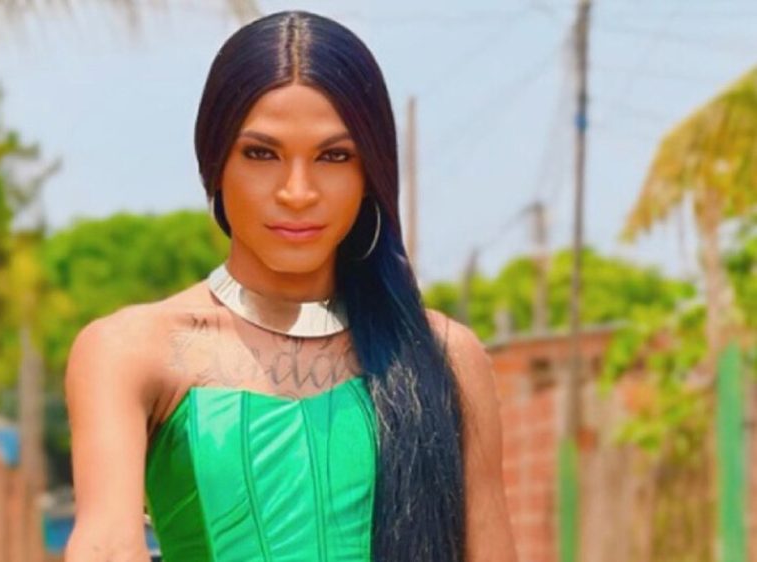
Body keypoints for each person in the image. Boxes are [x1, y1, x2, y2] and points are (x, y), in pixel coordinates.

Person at [64, 10, 516, 562]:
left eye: (334, 156)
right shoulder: (130, 351)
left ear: (369, 174)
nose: (297, 192)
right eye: (261, 153)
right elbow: (107, 546)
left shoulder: (442, 357)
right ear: (215, 163)